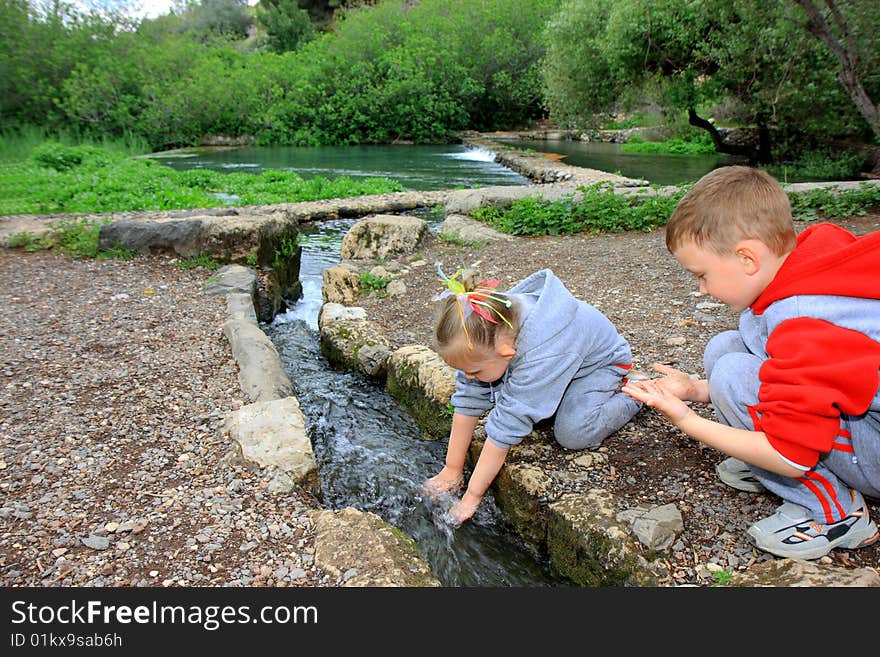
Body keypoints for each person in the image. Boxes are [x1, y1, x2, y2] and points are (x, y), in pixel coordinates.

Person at [622, 165, 880, 560]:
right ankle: (764, 463)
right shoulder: (809, 260)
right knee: (725, 347)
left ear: (747, 258)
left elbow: (792, 455)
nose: (702, 289)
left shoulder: (802, 320)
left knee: (733, 374)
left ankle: (836, 514)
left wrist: (687, 420)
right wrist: (695, 391)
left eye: (703, 275)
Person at [422, 265, 642, 525]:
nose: (469, 378)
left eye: (474, 371)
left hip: (598, 367)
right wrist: (452, 469)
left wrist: (471, 498)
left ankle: (637, 391)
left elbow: (506, 426)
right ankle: (547, 396)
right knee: (505, 393)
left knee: (572, 433)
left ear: (507, 353)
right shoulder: (485, 330)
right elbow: (468, 399)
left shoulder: (542, 350)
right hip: (559, 364)